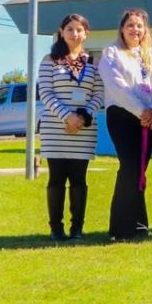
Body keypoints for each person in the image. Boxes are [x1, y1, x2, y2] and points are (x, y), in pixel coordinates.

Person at [98, 9, 152, 242]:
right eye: (130, 25)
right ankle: (122, 227)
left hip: (149, 117)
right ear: (122, 29)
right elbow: (117, 87)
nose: (135, 30)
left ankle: (139, 224)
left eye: (139, 25)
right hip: (122, 116)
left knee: (140, 170)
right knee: (130, 167)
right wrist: (140, 110)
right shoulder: (112, 53)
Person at [38, 14, 104, 241]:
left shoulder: (94, 62)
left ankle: (77, 228)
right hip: (56, 129)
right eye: (70, 29)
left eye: (79, 30)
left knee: (79, 181)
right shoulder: (50, 60)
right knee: (56, 180)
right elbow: (45, 92)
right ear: (61, 32)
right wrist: (67, 117)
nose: (74, 34)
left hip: (84, 131)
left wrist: (84, 116)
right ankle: (56, 228)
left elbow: (99, 93)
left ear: (86, 34)